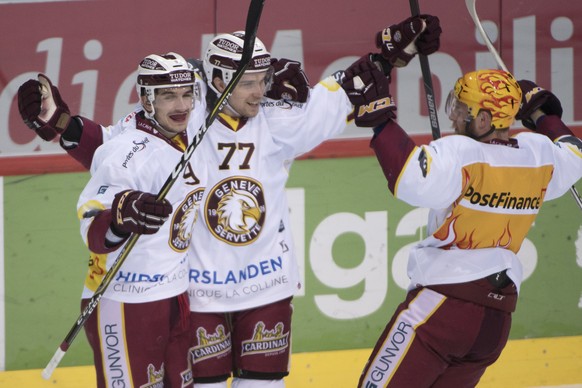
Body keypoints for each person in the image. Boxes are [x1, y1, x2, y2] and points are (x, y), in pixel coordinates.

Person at [17, 16, 441, 387]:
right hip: (198, 293)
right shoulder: (183, 113)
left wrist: (388, 54)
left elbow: (350, 91)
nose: (259, 93)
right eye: (248, 83)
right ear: (217, 80)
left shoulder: (279, 115)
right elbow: (115, 149)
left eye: (263, 81)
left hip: (266, 285)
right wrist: (63, 126)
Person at [342, 30, 582, 387]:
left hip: (444, 310)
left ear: (484, 121)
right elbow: (574, 153)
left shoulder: (462, 154)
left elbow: (408, 176)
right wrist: (545, 117)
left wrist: (379, 120)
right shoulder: (537, 155)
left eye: (462, 110)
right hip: (495, 321)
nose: (453, 118)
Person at [54, 52, 205, 388]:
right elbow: (91, 225)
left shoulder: (187, 123)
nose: (181, 105)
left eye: (186, 94)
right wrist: (120, 216)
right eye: (168, 96)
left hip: (175, 294)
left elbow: (230, 82)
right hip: (126, 302)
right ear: (147, 100)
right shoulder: (126, 153)